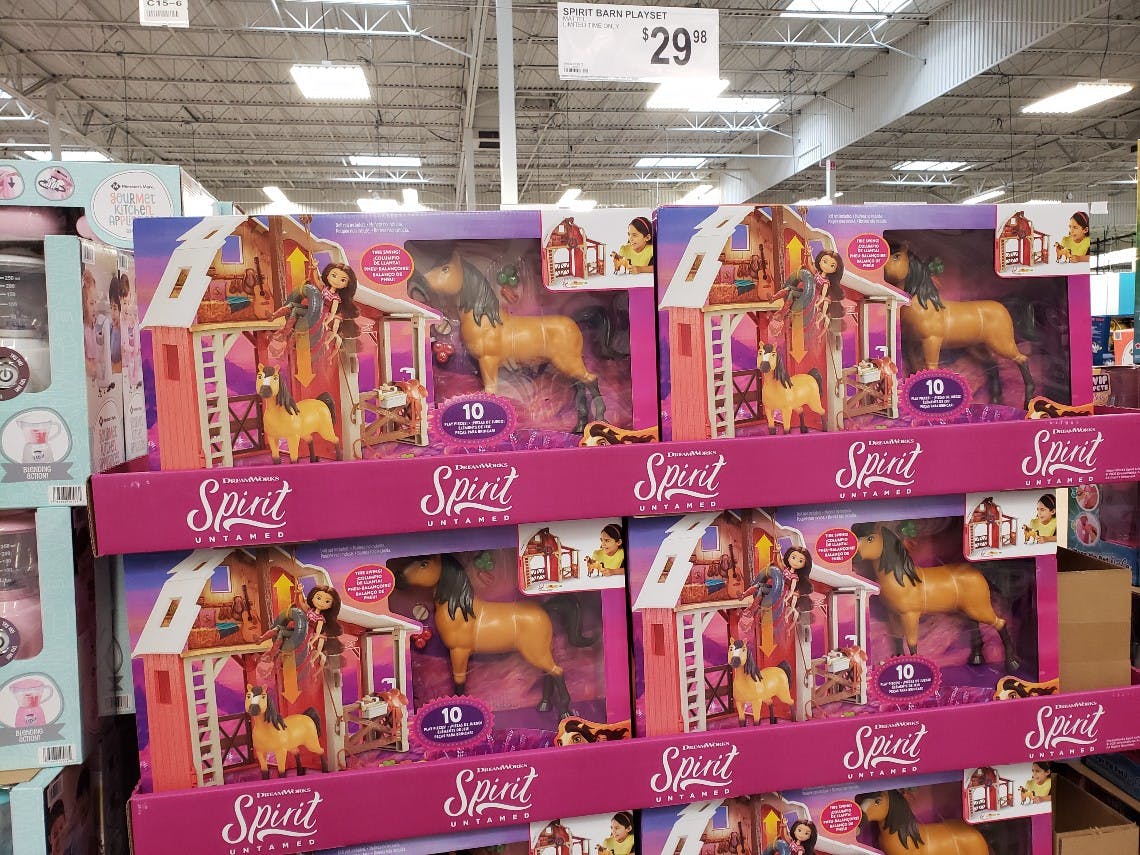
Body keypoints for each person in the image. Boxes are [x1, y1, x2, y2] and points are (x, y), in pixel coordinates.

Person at [306, 585, 345, 686]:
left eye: (327, 601)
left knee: (333, 667)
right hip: (313, 638)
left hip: (325, 644)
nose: (321, 603)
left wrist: (314, 639)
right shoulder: (310, 612)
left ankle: (335, 678)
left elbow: (320, 634)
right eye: (319, 598)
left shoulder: (322, 619)